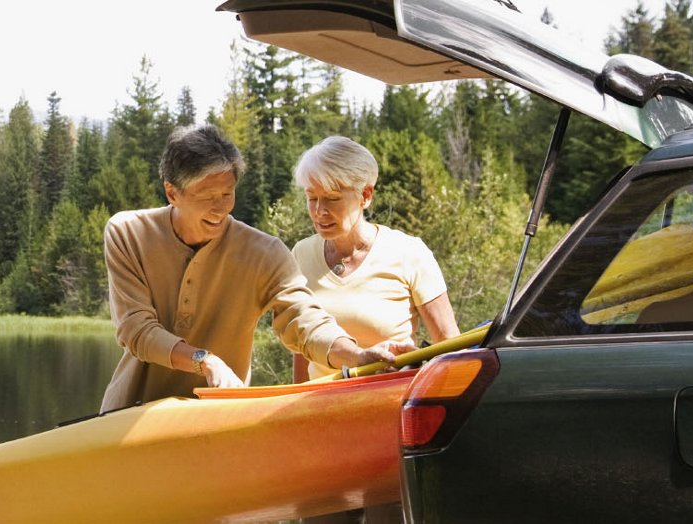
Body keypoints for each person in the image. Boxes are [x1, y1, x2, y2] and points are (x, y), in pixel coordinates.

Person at [99, 125, 406, 412]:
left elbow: (305, 320)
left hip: (219, 419)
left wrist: (356, 355)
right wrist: (204, 361)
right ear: (172, 193)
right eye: (207, 197)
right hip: (130, 415)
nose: (221, 209)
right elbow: (136, 330)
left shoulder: (265, 252)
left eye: (227, 194)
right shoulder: (128, 233)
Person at [290, 135, 460, 383]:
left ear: (365, 195)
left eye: (332, 198)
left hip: (391, 404)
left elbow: (449, 345)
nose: (319, 211)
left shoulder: (409, 252)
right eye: (312, 197)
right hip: (320, 409)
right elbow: (301, 348)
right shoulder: (300, 254)